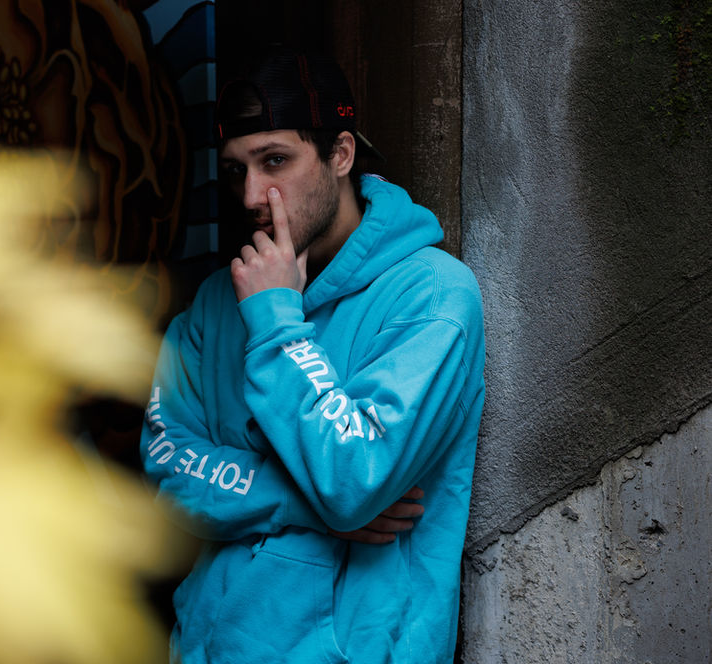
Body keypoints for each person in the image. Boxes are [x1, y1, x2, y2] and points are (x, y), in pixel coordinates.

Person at [140, 49, 485, 663]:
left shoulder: (432, 296)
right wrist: (302, 505)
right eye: (235, 169)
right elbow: (167, 468)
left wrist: (275, 321)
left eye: (274, 160)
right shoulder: (216, 302)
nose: (251, 194)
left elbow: (355, 479)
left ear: (341, 154)